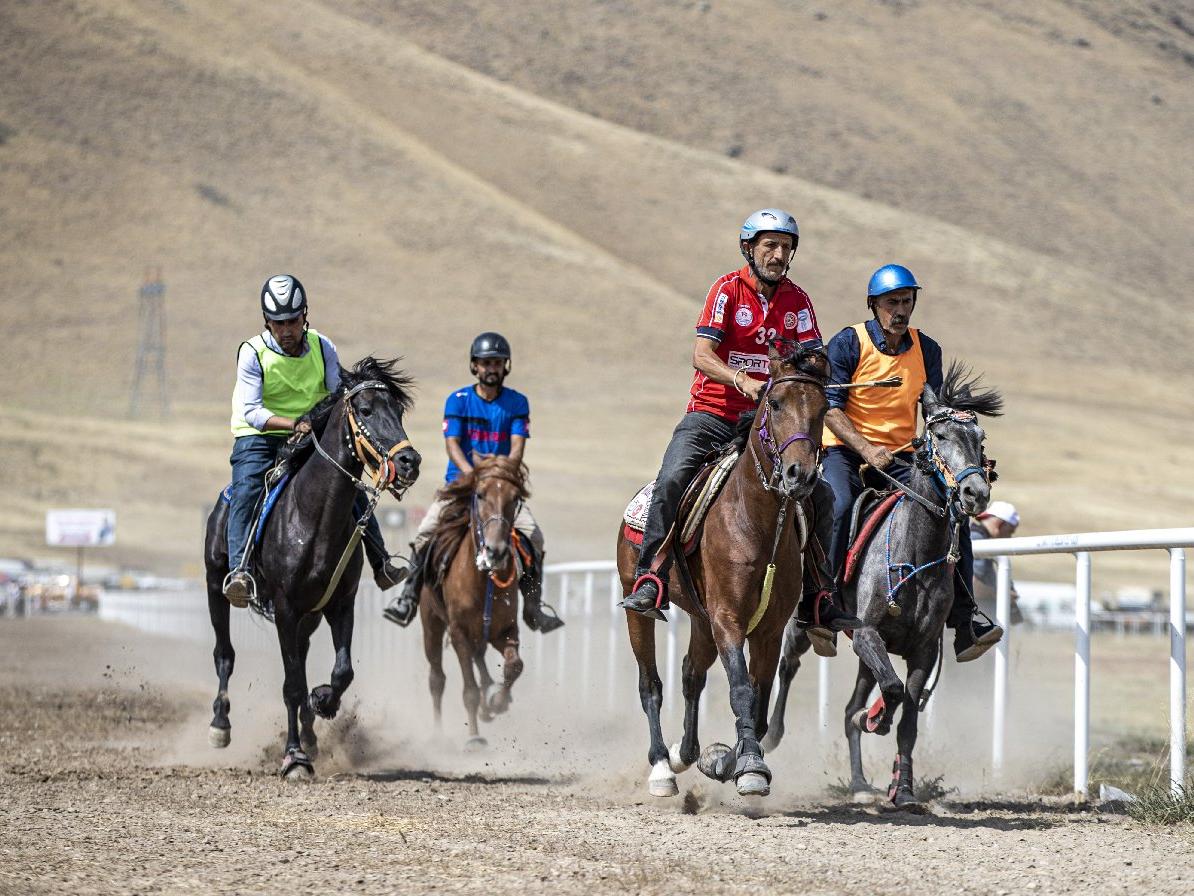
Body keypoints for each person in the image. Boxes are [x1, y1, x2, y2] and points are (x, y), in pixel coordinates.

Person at [619, 209, 861, 642]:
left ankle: (819, 598)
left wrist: (801, 365)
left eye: (786, 247)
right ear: (749, 249)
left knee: (820, 493)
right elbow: (701, 354)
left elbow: (814, 358)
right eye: (769, 245)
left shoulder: (798, 302)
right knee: (673, 477)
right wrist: (742, 379)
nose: (778, 253)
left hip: (770, 426)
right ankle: (651, 578)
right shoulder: (726, 291)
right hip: (712, 415)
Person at [822, 263, 1003, 661]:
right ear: (874, 305)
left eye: (907, 301)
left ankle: (964, 618)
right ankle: (823, 603)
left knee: (952, 511)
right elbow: (830, 409)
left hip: (902, 455)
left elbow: (934, 410)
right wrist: (866, 449)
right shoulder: (848, 343)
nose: (900, 310)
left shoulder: (927, 349)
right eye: (892, 303)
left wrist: (959, 452)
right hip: (845, 450)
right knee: (837, 507)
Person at [223, 274, 402, 607]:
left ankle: (381, 562)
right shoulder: (252, 352)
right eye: (278, 323)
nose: (287, 329)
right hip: (260, 436)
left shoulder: (322, 346)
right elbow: (252, 411)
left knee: (346, 481)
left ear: (305, 315)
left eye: (293, 320)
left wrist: (317, 422)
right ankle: (240, 571)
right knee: (247, 488)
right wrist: (293, 424)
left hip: (310, 430)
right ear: (267, 322)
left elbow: (337, 392)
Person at [382, 332, 563, 634]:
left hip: (501, 490)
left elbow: (517, 448)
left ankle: (533, 608)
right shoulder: (458, 401)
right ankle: (408, 598)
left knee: (535, 536)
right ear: (474, 366)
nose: (490, 368)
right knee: (426, 531)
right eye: (484, 362)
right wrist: (474, 476)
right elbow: (452, 444)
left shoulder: (517, 403)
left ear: (506, 366)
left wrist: (497, 475)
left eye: (496, 362)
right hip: (460, 486)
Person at [970, 500, 1022, 622]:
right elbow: (972, 584)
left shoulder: (977, 538)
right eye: (1009, 532)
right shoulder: (977, 540)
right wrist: (1003, 594)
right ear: (1000, 524)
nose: (1009, 538)